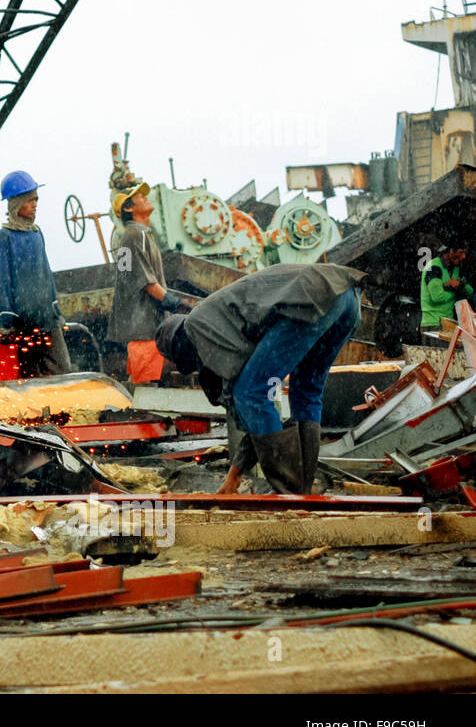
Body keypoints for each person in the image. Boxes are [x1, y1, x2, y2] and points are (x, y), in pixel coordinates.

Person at [155, 262, 364, 495]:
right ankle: (302, 491)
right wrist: (234, 477)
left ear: (180, 347)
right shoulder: (219, 317)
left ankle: (290, 495)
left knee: (250, 392)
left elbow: (247, 396)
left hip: (311, 295)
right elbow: (255, 411)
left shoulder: (196, 327)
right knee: (306, 391)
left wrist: (235, 472)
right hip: (346, 296)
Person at [106, 182, 188, 383]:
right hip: (144, 327)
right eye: (140, 197)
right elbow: (144, 281)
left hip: (141, 327)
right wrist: (174, 301)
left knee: (142, 383)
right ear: (128, 208)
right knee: (145, 387)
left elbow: (129, 276)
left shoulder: (137, 234)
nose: (146, 198)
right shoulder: (135, 235)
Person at [0, 170, 71, 376]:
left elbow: (47, 274)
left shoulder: (37, 233)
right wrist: (7, 318)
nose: (35, 204)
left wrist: (55, 309)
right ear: (16, 204)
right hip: (23, 323)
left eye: (36, 199)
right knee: (31, 375)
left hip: (47, 318)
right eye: (30, 200)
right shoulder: (3, 238)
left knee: (61, 369)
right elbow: (2, 282)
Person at [420, 244, 473, 330]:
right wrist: (456, 292)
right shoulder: (433, 267)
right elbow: (437, 297)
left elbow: (469, 291)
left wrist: (460, 285)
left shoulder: (455, 269)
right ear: (450, 251)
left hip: (448, 324)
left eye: (465, 253)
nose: (464, 256)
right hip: (433, 324)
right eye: (461, 252)